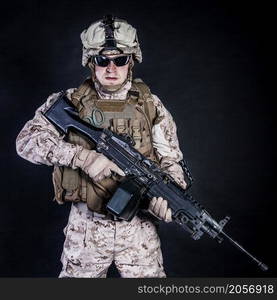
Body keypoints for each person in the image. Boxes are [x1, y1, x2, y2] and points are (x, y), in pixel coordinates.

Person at [16, 15, 187, 278]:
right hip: (86, 232)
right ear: (90, 62)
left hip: (139, 234)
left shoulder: (151, 105)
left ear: (131, 61)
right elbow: (26, 141)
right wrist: (82, 157)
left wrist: (167, 199)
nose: (111, 68)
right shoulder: (72, 102)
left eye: (120, 60)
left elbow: (171, 162)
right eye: (102, 60)